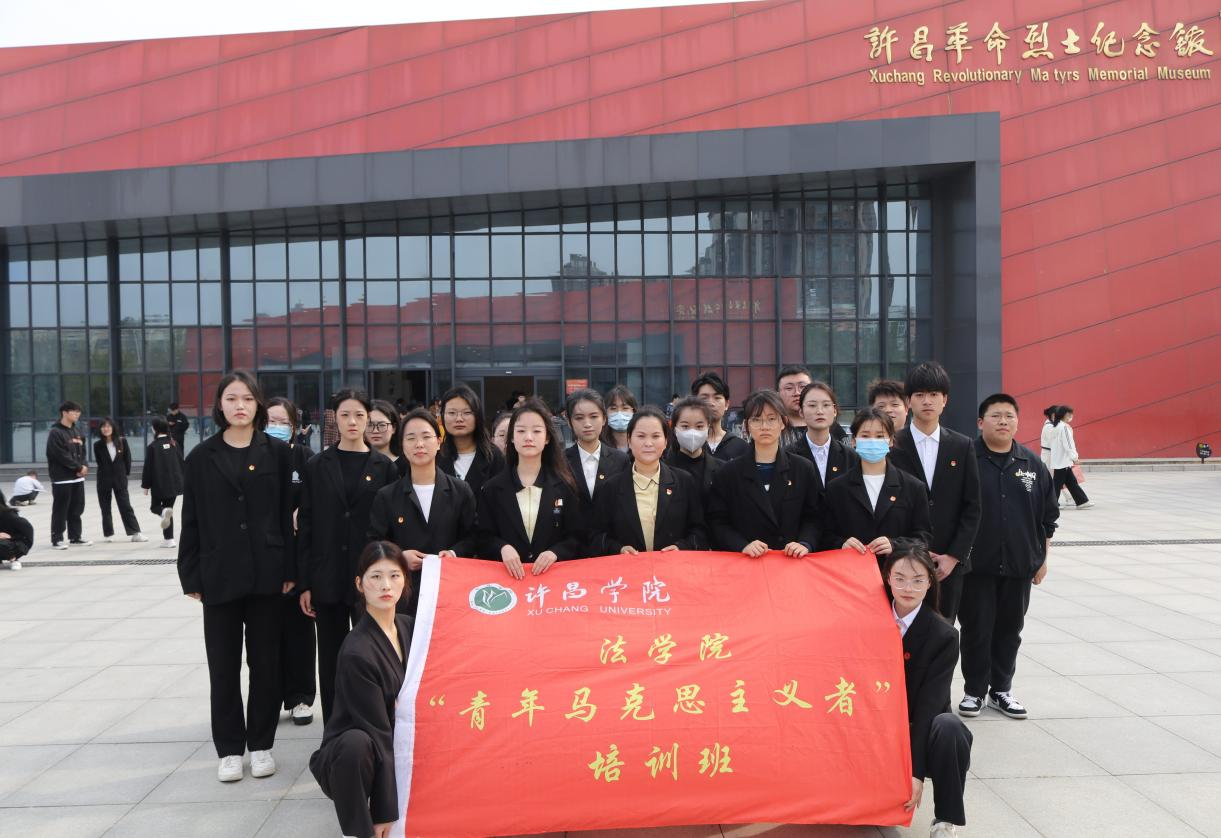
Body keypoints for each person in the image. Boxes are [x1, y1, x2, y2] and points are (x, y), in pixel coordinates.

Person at [178, 371, 297, 783]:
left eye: (247, 398)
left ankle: (261, 745)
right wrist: (190, 575)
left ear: (258, 404)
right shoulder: (201, 457)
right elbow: (191, 519)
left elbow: (285, 516)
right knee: (223, 667)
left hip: (268, 573)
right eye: (231, 398)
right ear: (220, 405)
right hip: (219, 574)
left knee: (265, 664)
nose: (240, 405)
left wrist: (290, 569)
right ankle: (229, 749)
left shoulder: (277, 453)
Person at [298, 390, 398, 724]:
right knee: (331, 658)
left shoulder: (385, 467)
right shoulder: (317, 465)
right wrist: (305, 582)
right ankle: (334, 729)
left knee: (374, 654)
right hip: (327, 576)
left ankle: (375, 725)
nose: (352, 422)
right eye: (345, 415)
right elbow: (307, 525)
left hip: (371, 578)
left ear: (368, 418)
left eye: (359, 415)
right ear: (334, 419)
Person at [958, 394, 1058, 721]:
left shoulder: (1032, 464)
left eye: (1009, 416)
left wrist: (1042, 559)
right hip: (975, 566)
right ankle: (974, 690)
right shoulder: (965, 460)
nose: (1003, 421)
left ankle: (1001, 689)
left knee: (1010, 629)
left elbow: (1047, 518)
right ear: (980, 422)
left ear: (1017, 422)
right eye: (996, 415)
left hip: (1019, 564)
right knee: (976, 629)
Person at [310, 541, 414, 838]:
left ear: (405, 581)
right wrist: (384, 813)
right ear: (359, 584)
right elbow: (377, 732)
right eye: (375, 576)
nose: (385, 585)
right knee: (358, 744)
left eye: (394, 575)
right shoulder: (358, 650)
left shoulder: (408, 626)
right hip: (354, 755)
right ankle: (357, 829)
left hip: (397, 733)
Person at [885, 539, 973, 838]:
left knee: (950, 728)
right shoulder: (869, 621)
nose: (907, 588)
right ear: (888, 578)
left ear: (930, 583)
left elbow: (929, 707)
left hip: (917, 725)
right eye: (900, 578)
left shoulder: (943, 635)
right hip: (877, 727)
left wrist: (916, 772)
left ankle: (945, 820)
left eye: (917, 580)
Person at [889, 362, 982, 622]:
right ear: (909, 401)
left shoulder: (962, 446)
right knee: (900, 631)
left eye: (934, 394)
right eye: (919, 395)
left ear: (945, 400)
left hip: (947, 565)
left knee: (943, 629)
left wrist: (953, 556)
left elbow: (972, 506)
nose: (927, 401)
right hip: (902, 562)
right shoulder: (894, 445)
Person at [367, 408, 479, 615]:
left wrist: (453, 553)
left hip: (450, 595)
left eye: (426, 437)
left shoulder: (460, 491)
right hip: (403, 597)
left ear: (438, 442)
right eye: (411, 438)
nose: (419, 444)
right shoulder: (387, 496)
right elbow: (375, 542)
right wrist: (399, 557)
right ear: (402, 445)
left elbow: (474, 536)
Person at [707, 389, 820, 558]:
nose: (764, 426)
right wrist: (742, 546)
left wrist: (804, 543)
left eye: (772, 419)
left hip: (790, 561)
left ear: (783, 423)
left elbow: (814, 517)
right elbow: (717, 522)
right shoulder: (728, 473)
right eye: (756, 419)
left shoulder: (802, 468)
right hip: (748, 562)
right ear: (746, 425)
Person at [477, 399, 583, 577]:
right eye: (521, 431)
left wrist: (555, 553)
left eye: (536, 431)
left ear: (547, 438)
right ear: (512, 437)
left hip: (552, 580)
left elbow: (577, 537)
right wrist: (502, 548)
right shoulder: (492, 489)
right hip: (508, 580)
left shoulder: (565, 486)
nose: (528, 437)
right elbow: (482, 538)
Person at [821, 408, 932, 566]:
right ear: (854, 441)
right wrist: (841, 544)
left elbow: (923, 537)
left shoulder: (913, 487)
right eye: (865, 436)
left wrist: (895, 545)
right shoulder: (837, 488)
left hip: (897, 572)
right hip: (852, 571)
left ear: (891, 440)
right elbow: (825, 535)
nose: (872, 441)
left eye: (880, 436)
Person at [591, 407, 707, 555]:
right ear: (629, 440)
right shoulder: (611, 487)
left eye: (655, 436)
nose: (648, 443)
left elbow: (699, 531)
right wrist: (618, 549)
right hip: (629, 567)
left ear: (666, 441)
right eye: (641, 436)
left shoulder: (684, 482)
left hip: (673, 566)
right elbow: (596, 536)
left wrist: (681, 547)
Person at [267, 396, 318, 727]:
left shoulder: (305, 458)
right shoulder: (254, 458)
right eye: (271, 421)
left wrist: (305, 511)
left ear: (295, 427)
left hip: (298, 558)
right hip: (265, 560)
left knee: (300, 631)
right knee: (265, 636)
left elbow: (316, 501)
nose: (277, 427)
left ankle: (301, 697)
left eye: (283, 423)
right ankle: (269, 697)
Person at [786, 381, 858, 500]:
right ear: (801, 412)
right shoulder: (788, 455)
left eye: (826, 405)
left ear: (834, 411)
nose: (819, 411)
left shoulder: (850, 456)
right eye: (812, 405)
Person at [563, 389, 630, 517]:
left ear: (604, 419)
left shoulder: (621, 460)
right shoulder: (561, 461)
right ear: (569, 422)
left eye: (594, 416)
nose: (587, 424)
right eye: (579, 418)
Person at [437, 384, 506, 497]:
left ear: (477, 416)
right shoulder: (436, 455)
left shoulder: (494, 457)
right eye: (452, 413)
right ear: (443, 416)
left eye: (467, 413)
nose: (459, 419)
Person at [46, 400, 90, 550]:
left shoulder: (77, 431)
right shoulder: (55, 432)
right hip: (62, 479)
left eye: (79, 412)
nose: (77, 414)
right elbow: (59, 455)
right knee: (61, 509)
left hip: (77, 478)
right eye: (74, 411)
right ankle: (57, 539)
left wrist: (84, 466)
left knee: (77, 508)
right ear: (64, 413)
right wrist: (78, 467)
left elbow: (83, 452)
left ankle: (75, 537)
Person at [94, 417, 146, 543]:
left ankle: (135, 533)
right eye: (103, 426)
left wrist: (124, 474)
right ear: (100, 429)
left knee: (126, 506)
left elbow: (127, 459)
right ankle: (108, 534)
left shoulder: (122, 441)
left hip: (120, 479)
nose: (106, 429)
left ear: (113, 428)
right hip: (103, 480)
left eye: (108, 426)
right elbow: (99, 462)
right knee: (105, 508)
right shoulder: (97, 445)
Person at [663, 396, 723, 502]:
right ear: (675, 429)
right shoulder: (662, 469)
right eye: (685, 426)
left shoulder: (722, 469)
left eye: (699, 426)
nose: (692, 432)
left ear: (708, 428)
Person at [141, 417, 184, 548]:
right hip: (175, 485)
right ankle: (169, 540)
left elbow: (148, 468)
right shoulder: (174, 443)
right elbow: (181, 463)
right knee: (168, 510)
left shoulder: (153, 447)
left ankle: (168, 534)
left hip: (159, 485)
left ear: (154, 429)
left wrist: (145, 486)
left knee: (156, 507)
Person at [691, 371, 749, 461]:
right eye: (704, 398)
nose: (711, 403)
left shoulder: (741, 447)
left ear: (727, 404)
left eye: (717, 398)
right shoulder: (687, 445)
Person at [1050, 405, 1092, 510]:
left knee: (1071, 482)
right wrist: (1074, 457)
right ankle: (1050, 504)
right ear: (1063, 415)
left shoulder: (1056, 427)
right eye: (1068, 414)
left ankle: (1082, 501)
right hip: (1063, 461)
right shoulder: (1064, 427)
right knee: (1057, 484)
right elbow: (1069, 444)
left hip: (1059, 460)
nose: (1070, 416)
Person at [776, 365, 813, 448]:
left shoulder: (829, 428)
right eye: (789, 388)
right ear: (778, 394)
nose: (797, 393)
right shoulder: (771, 431)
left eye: (802, 387)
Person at [365, 400, 403, 477]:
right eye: (370, 425)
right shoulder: (358, 463)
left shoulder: (406, 465)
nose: (375, 431)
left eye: (382, 425)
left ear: (394, 428)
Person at [0, 491, 34, 571]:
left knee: (3, 544)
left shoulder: (8, 515)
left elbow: (27, 531)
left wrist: (11, 537)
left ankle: (13, 558)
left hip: (11, 543)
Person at [601, 384, 638, 452]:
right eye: (613, 408)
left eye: (625, 408)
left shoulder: (641, 443)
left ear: (634, 411)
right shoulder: (599, 445)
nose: (619, 413)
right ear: (605, 413)